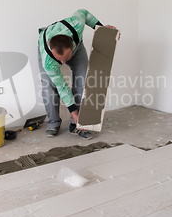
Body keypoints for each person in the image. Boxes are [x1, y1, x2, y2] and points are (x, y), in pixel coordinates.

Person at [38, 9, 117, 140]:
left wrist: (102, 29)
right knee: (49, 87)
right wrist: (73, 112)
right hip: (46, 46)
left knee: (84, 82)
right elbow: (62, 88)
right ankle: (53, 123)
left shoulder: (76, 24)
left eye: (66, 58)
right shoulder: (49, 61)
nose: (63, 63)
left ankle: (78, 125)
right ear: (53, 52)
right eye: (60, 60)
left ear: (72, 46)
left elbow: (84, 12)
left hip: (75, 46)